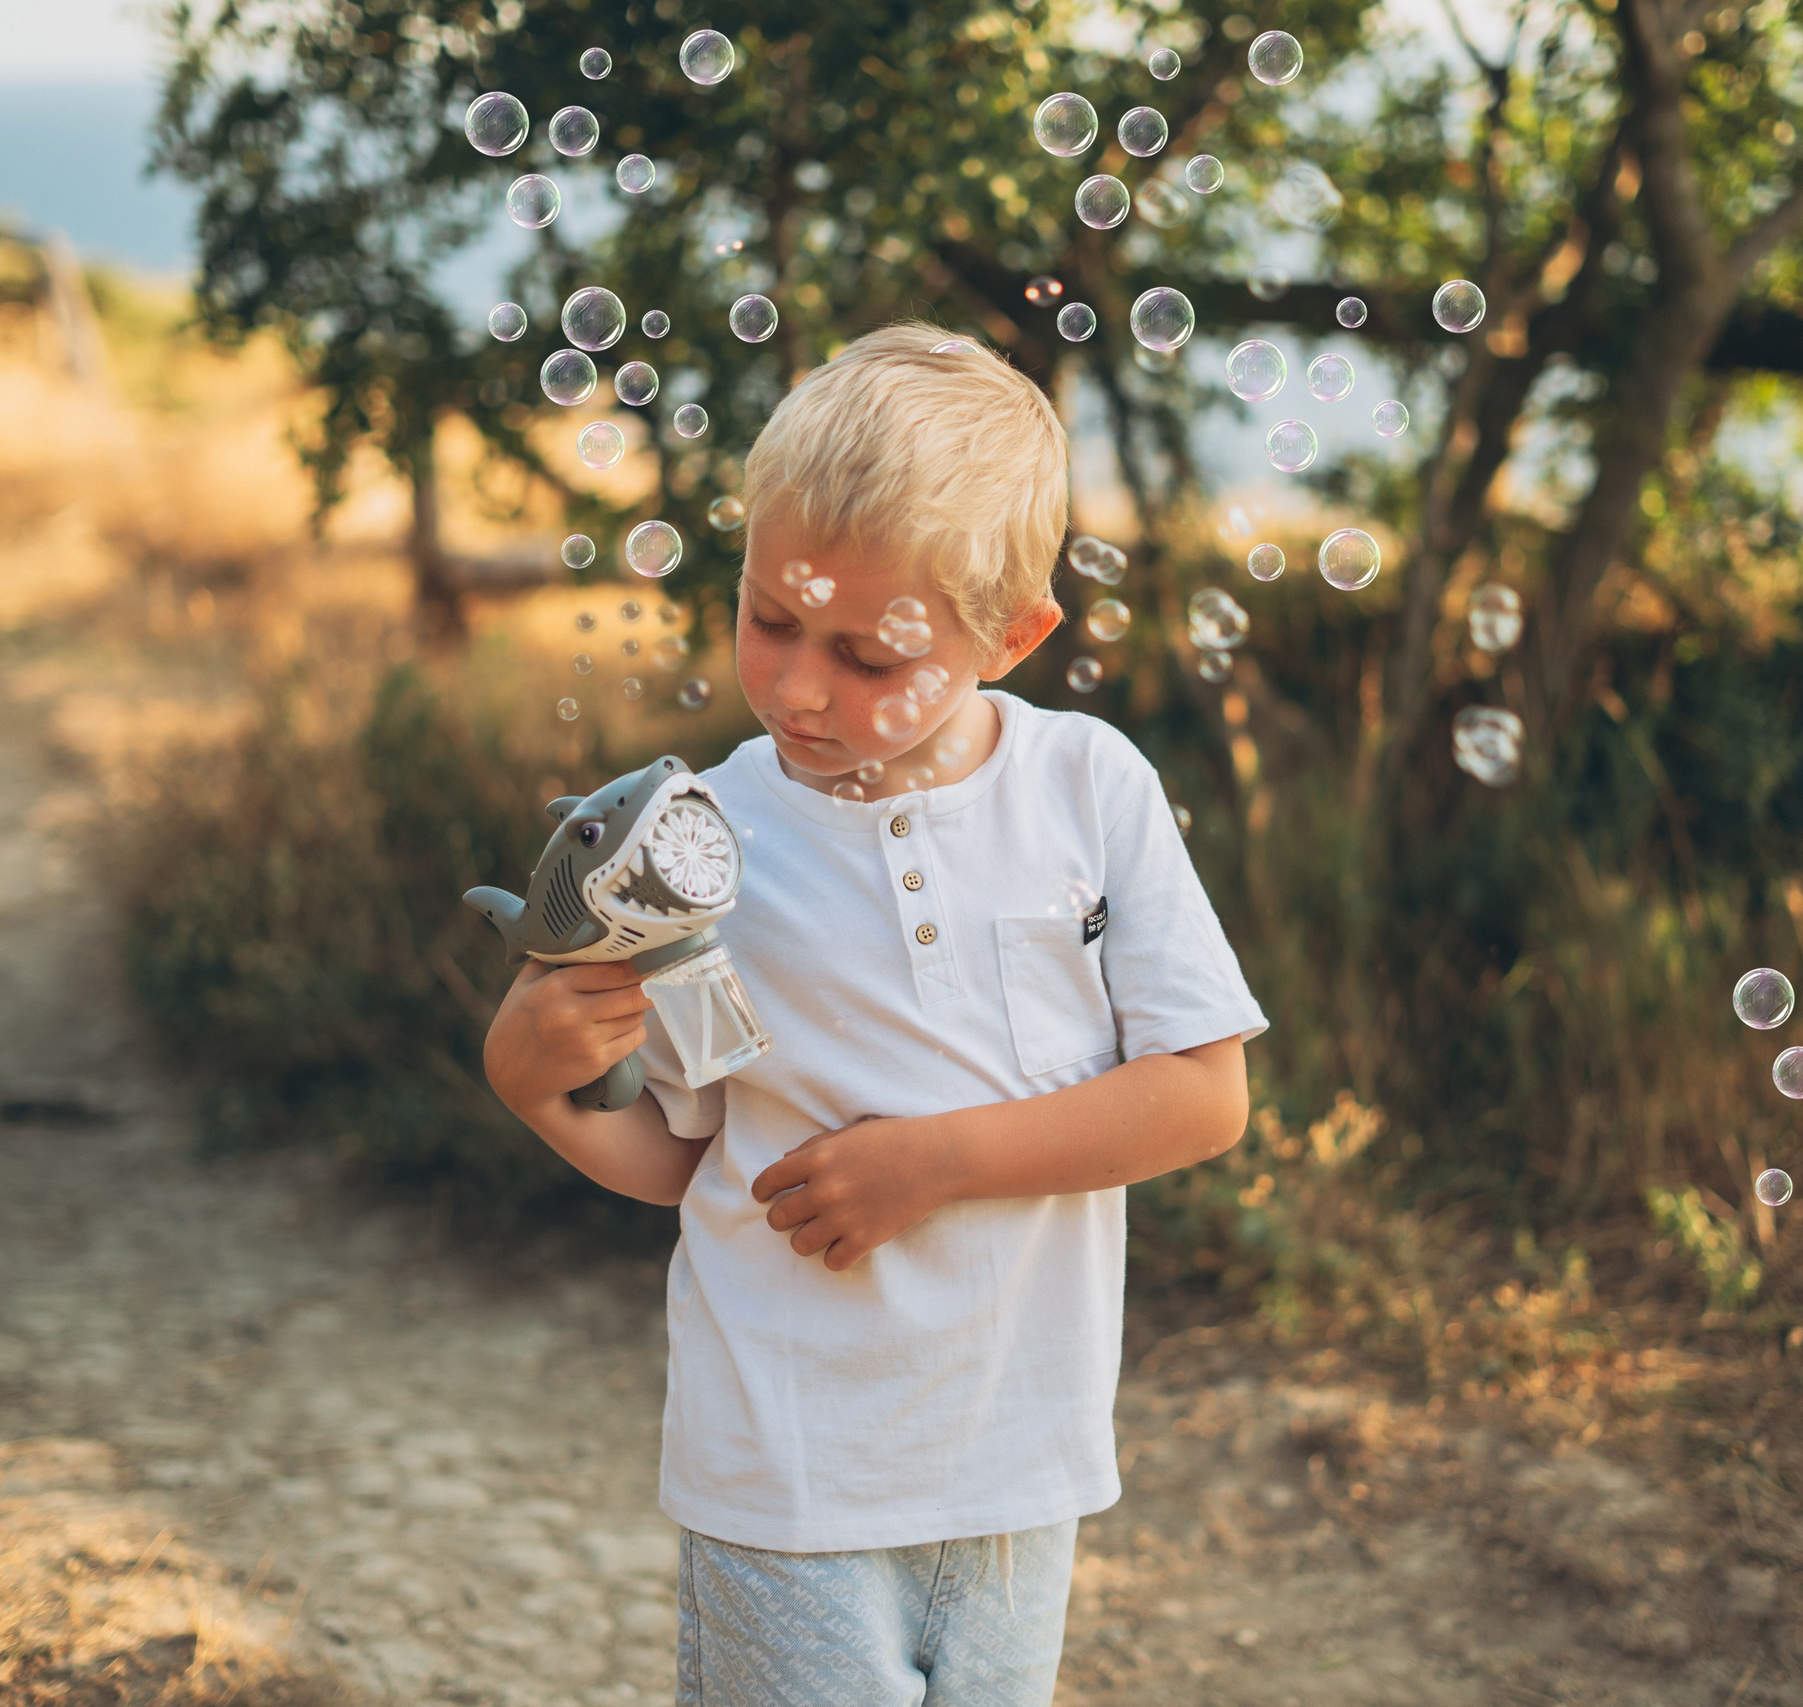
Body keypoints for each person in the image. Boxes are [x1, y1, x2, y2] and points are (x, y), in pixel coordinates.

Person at [480, 320, 1266, 1705]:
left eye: (866, 654)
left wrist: (935, 1160)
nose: (794, 686)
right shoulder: (704, 842)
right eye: (769, 620)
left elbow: (1204, 1095)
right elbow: (683, 1156)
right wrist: (531, 1082)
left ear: (1010, 639)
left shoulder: (1091, 790)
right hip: (787, 1468)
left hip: (1023, 1468)